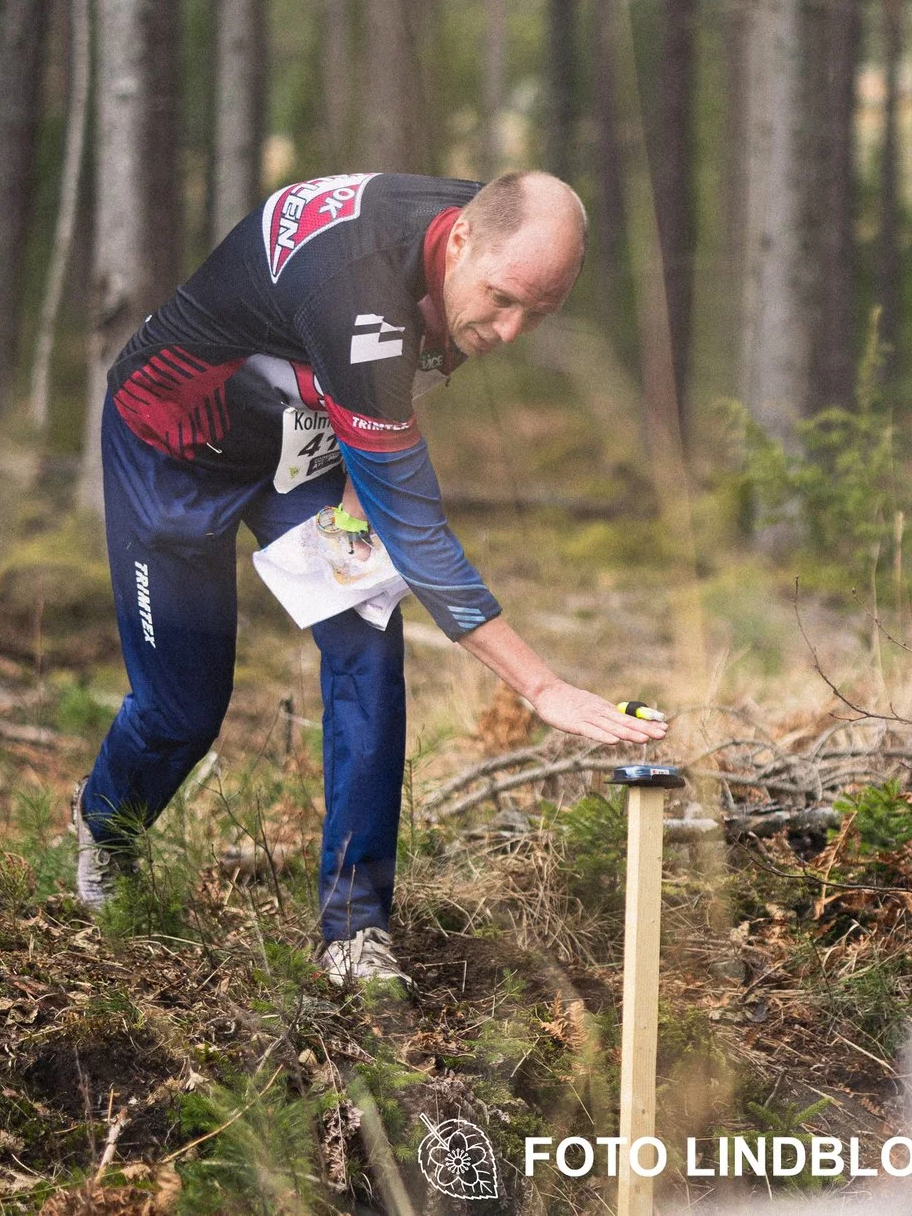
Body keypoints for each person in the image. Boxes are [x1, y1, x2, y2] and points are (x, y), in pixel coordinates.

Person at [75, 169, 665, 985]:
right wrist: (542, 688)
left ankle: (354, 927)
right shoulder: (360, 291)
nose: (511, 330)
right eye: (501, 300)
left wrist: (356, 505)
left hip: (299, 452)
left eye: (539, 311)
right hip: (174, 443)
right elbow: (419, 530)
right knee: (184, 708)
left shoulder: (479, 234)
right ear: (460, 240)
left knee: (369, 645)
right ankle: (106, 828)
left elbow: (396, 387)